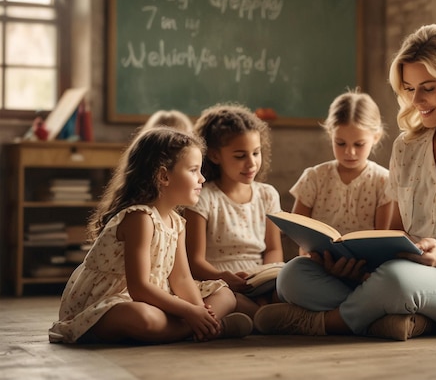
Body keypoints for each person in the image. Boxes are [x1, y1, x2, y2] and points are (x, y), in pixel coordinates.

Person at [253, 23, 436, 341]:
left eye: (427, 88)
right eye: (410, 89)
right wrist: (353, 264)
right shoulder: (407, 146)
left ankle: (328, 323)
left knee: (396, 281)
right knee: (292, 275)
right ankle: (395, 319)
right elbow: (397, 232)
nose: (416, 101)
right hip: (406, 274)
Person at [48, 127, 253, 344]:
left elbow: (182, 279)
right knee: (144, 319)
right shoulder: (140, 218)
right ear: (163, 176)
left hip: (154, 296)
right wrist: (189, 313)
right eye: (193, 170)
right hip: (114, 301)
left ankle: (201, 328)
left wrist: (200, 312)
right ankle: (206, 329)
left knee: (225, 295)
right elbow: (139, 288)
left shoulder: (177, 222)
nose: (202, 178)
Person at [185, 103, 283, 318]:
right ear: (214, 156)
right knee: (229, 299)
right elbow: (194, 261)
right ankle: (254, 317)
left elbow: (273, 249)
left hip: (257, 280)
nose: (251, 164)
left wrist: (268, 276)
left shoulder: (267, 194)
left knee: (291, 286)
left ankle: (256, 316)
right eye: (240, 156)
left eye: (256, 153)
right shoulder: (203, 197)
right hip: (219, 281)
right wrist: (224, 277)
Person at [290, 89, 391, 256]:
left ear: (376, 137)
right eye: (340, 143)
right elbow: (298, 233)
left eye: (359, 144)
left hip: (364, 263)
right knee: (289, 273)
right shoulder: (314, 177)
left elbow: (381, 238)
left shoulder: (383, 181)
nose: (349, 152)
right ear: (330, 134)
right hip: (317, 260)